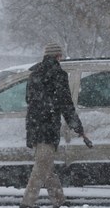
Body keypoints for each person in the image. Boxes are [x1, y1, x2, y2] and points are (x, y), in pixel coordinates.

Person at [20, 42, 88, 208]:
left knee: (46, 165)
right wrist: (77, 127)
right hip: (48, 127)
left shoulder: (34, 73)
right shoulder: (59, 74)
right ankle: (27, 203)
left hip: (34, 126)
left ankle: (59, 200)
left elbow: (28, 99)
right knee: (41, 166)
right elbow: (66, 104)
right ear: (58, 56)